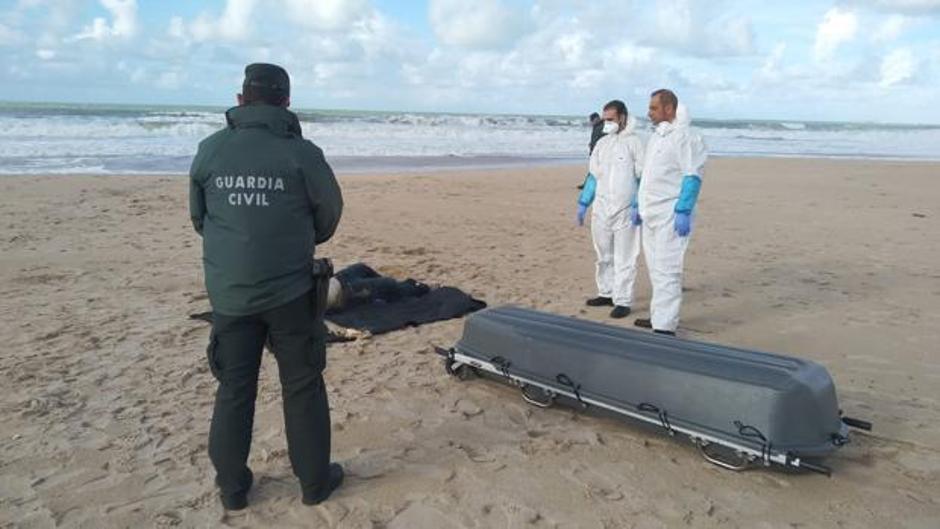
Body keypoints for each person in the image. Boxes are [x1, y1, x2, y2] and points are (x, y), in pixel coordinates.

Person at [189, 63, 345, 510]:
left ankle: (233, 490)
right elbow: (328, 217)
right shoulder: (303, 154)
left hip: (231, 294)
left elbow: (200, 219)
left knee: (234, 388)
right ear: (287, 103)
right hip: (292, 293)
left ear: (241, 99)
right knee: (302, 384)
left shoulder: (211, 151)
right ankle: (315, 484)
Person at [633, 89, 707, 336]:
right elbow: (648, 176)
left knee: (668, 270)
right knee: (655, 268)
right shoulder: (657, 137)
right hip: (650, 212)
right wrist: (638, 204)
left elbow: (692, 175)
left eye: (654, 108)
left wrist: (683, 209)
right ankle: (658, 316)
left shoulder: (685, 137)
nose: (649, 112)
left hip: (669, 215)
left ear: (669, 109)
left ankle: (664, 328)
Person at [577, 100, 645, 319]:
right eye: (605, 119)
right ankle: (606, 292)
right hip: (602, 208)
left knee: (625, 257)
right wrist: (584, 202)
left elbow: (643, 177)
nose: (606, 123)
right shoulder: (602, 144)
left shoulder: (635, 143)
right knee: (603, 254)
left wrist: (638, 204)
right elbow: (593, 176)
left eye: (611, 119)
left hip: (626, 210)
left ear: (623, 118)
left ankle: (623, 300)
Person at [577, 112, 606, 190]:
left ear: (596, 119)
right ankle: (588, 184)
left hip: (600, 152)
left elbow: (604, 139)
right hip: (595, 151)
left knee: (593, 169)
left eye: (592, 121)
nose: (591, 123)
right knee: (594, 169)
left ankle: (587, 185)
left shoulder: (602, 126)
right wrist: (591, 143)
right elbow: (596, 137)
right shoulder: (597, 126)